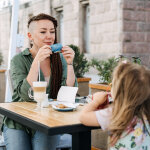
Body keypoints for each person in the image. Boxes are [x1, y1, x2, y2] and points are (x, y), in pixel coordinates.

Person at [2, 13, 77, 150]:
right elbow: (25, 94)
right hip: (19, 121)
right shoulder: (18, 60)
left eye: (52, 31)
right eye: (43, 32)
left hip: (48, 120)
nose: (49, 36)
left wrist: (70, 64)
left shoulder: (59, 60)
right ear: (30, 36)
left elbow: (68, 92)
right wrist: (36, 62)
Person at [80, 62, 150, 149]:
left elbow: (83, 117)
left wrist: (96, 102)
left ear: (119, 91)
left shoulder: (114, 113)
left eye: (113, 85)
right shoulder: (146, 113)